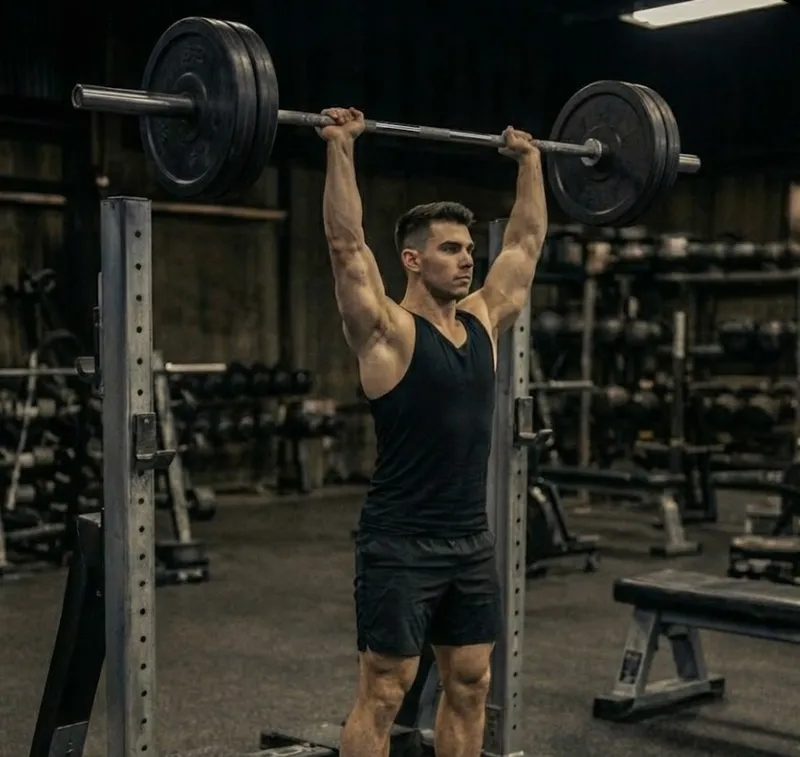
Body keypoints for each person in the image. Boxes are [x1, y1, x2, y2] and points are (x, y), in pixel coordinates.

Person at [318, 107, 546, 757]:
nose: (468, 259)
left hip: (469, 541)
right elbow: (346, 247)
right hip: (400, 542)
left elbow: (525, 246)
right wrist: (340, 148)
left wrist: (532, 165)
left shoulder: (483, 321)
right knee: (386, 689)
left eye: (471, 249)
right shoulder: (388, 333)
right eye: (451, 248)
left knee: (471, 683)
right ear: (413, 259)